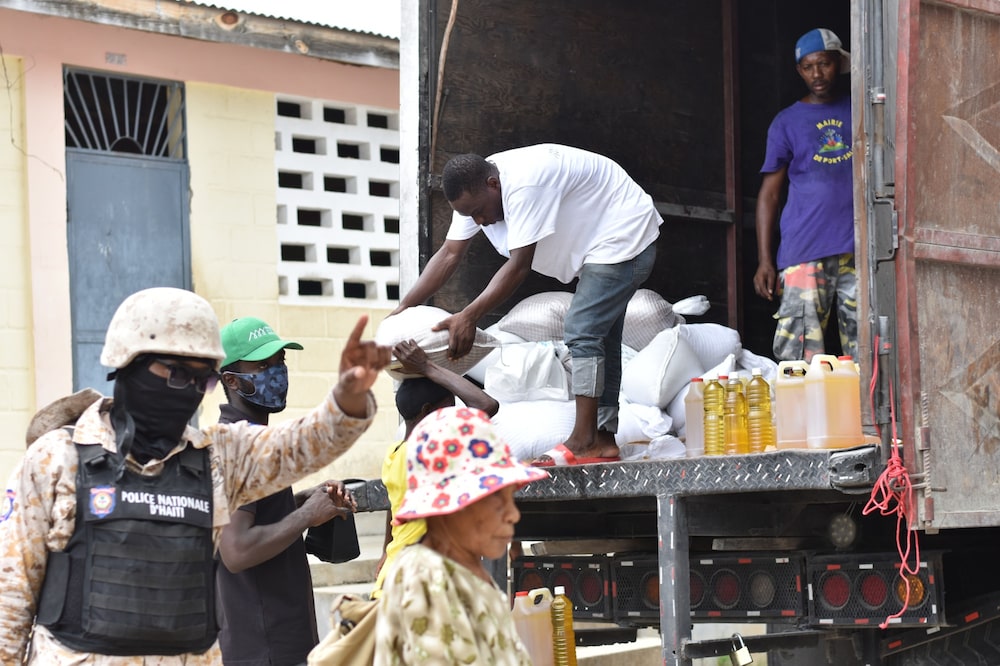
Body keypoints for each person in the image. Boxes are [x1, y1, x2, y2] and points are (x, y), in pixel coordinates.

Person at [0, 287, 389, 665]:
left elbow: (307, 441)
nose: (189, 391)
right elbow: (11, 597)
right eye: (177, 374)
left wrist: (348, 395)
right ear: (128, 364)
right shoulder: (56, 460)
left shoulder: (217, 456)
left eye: (201, 378)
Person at [391, 143, 662, 466]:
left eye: (480, 211)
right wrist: (404, 307)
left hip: (625, 235)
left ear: (494, 184)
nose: (479, 220)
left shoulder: (525, 184)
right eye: (470, 216)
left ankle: (583, 439)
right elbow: (450, 253)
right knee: (602, 338)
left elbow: (519, 266)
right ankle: (602, 439)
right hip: (597, 249)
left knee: (581, 330)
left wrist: (469, 316)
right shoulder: (473, 194)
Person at [214, 317, 358, 666]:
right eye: (262, 365)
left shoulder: (251, 440)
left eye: (280, 361)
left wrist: (303, 500)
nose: (276, 371)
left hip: (276, 637)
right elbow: (236, 549)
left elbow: (248, 513)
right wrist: (307, 516)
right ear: (231, 380)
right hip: (265, 645)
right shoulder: (239, 447)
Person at [373, 406, 549, 665]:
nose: (513, 515)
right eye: (497, 501)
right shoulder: (426, 579)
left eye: (510, 498)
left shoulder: (464, 574)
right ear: (449, 508)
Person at [753, 28, 858, 362]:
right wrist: (766, 260)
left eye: (824, 64)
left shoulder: (861, 111)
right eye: (808, 66)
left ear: (837, 63)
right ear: (799, 70)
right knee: (799, 354)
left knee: (870, 351)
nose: (817, 73)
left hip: (859, 251)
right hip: (803, 251)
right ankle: (803, 415)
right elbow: (769, 195)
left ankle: (869, 417)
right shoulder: (786, 122)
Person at [370, 339, 499, 599]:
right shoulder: (428, 450)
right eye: (448, 408)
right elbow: (486, 406)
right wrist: (427, 366)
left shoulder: (396, 453)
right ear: (427, 411)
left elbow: (394, 506)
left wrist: (386, 550)